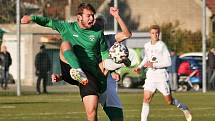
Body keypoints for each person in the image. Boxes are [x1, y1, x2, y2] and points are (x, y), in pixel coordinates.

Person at [21, 3, 110, 121]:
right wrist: (32, 18)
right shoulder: (67, 27)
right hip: (69, 68)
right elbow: (48, 22)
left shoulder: (98, 33)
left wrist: (110, 71)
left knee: (92, 113)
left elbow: (104, 54)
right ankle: (77, 71)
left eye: (93, 15)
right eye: (88, 16)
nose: (92, 19)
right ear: (79, 17)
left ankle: (79, 74)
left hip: (88, 75)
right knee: (65, 44)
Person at [52, 7, 132, 121]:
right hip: (91, 81)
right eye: (96, 22)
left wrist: (117, 16)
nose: (98, 25)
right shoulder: (84, 41)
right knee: (91, 114)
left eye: (101, 24)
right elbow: (77, 64)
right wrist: (61, 76)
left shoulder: (109, 39)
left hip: (107, 83)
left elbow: (127, 34)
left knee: (118, 119)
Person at [134, 25, 192, 121]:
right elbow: (146, 57)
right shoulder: (146, 45)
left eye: (157, 33)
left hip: (161, 76)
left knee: (169, 101)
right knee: (146, 99)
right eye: (153, 33)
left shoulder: (162, 46)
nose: (155, 35)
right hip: (151, 76)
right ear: (150, 34)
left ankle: (183, 107)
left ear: (159, 34)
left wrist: (154, 65)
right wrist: (139, 67)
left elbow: (168, 62)